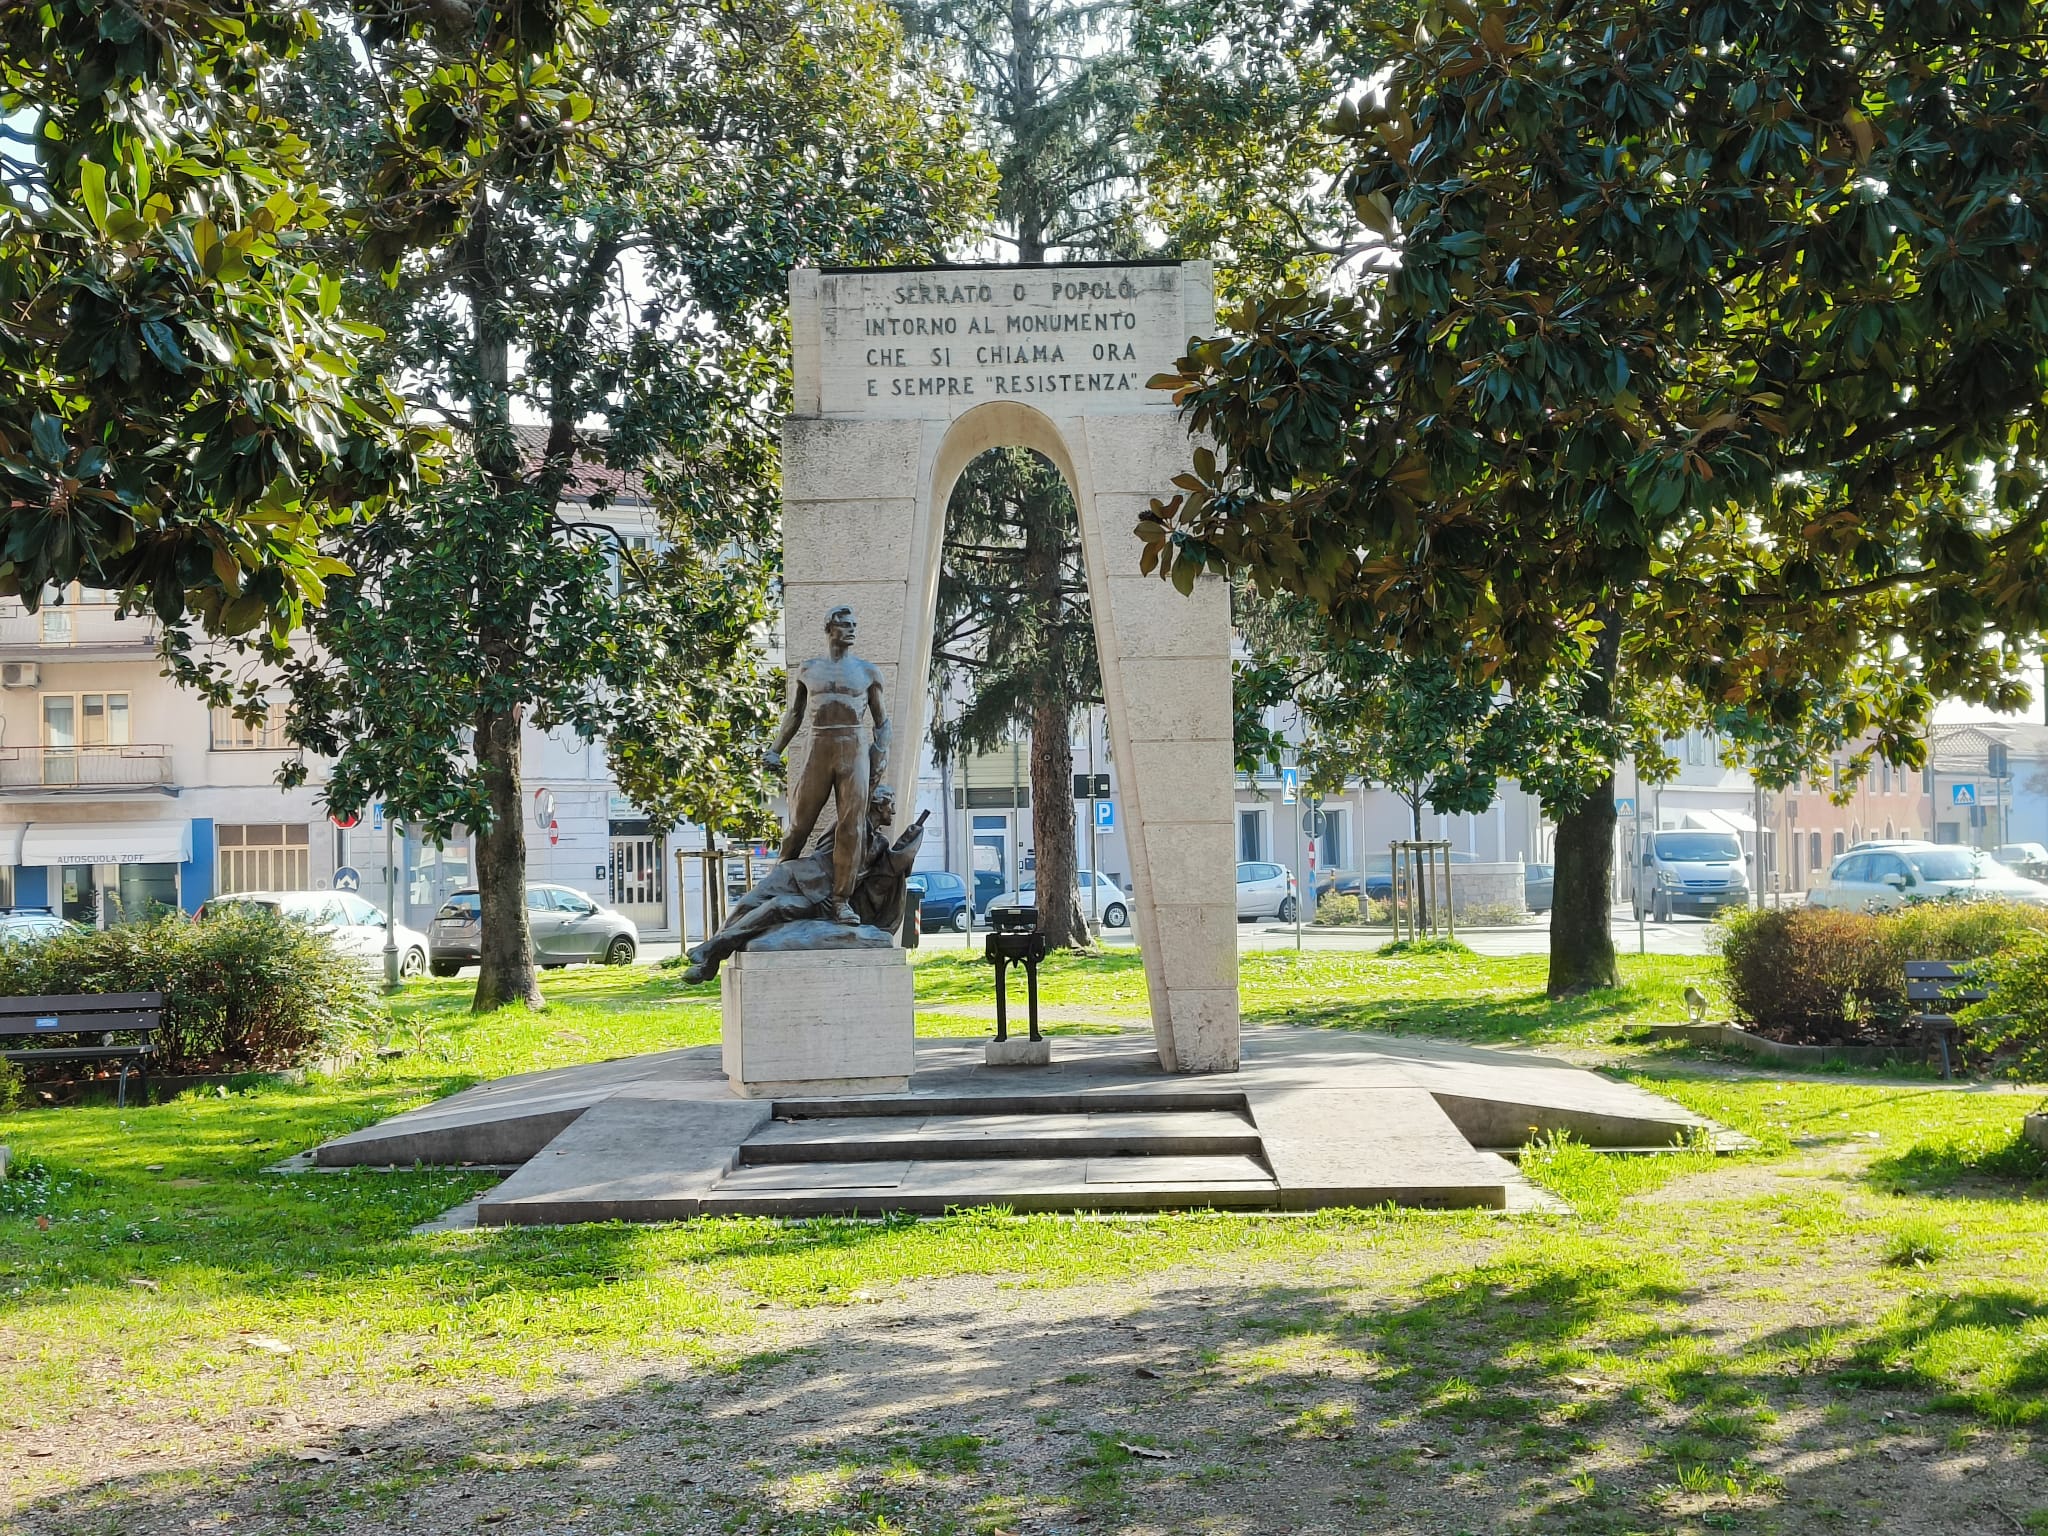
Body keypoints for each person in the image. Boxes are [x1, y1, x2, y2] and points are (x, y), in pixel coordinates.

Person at [680, 790, 926, 983]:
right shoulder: (848, 823)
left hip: (822, 900)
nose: (893, 812)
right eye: (890, 805)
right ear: (877, 804)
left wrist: (911, 841)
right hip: (798, 876)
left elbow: (892, 868)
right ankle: (710, 959)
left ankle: (711, 952)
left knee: (777, 907)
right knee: (746, 905)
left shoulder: (880, 844)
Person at [763, 606, 889, 925]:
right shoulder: (808, 670)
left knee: (851, 827)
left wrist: (880, 755)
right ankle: (773, 882)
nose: (851, 630)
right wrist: (775, 749)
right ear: (829, 628)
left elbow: (882, 723)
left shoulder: (868, 672)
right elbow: (795, 714)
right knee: (799, 824)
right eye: (845, 625)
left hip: (855, 748)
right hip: (818, 746)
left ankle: (840, 900)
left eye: (854, 624)